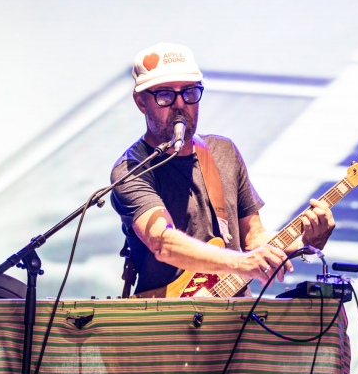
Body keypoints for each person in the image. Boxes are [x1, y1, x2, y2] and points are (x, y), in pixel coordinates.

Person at [110, 42, 335, 296]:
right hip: (168, 323)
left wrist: (304, 242)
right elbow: (164, 243)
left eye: (190, 92)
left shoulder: (223, 152)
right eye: (165, 95)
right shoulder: (131, 170)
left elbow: (253, 239)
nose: (180, 104)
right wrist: (240, 263)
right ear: (141, 102)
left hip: (233, 316)